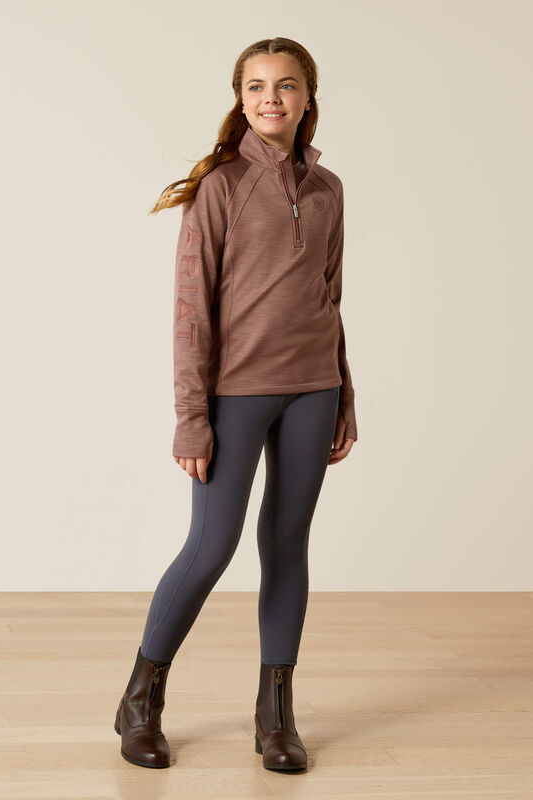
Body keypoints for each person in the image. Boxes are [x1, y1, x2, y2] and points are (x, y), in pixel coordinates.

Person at [114, 36, 358, 772]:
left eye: (285, 85)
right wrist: (192, 418)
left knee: (287, 545)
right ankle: (140, 700)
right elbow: (191, 313)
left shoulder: (328, 189)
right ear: (240, 98)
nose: (270, 98)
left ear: (308, 98)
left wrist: (344, 393)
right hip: (235, 396)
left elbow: (330, 297)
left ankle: (275, 716)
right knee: (211, 547)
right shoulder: (220, 188)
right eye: (256, 86)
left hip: (313, 389)